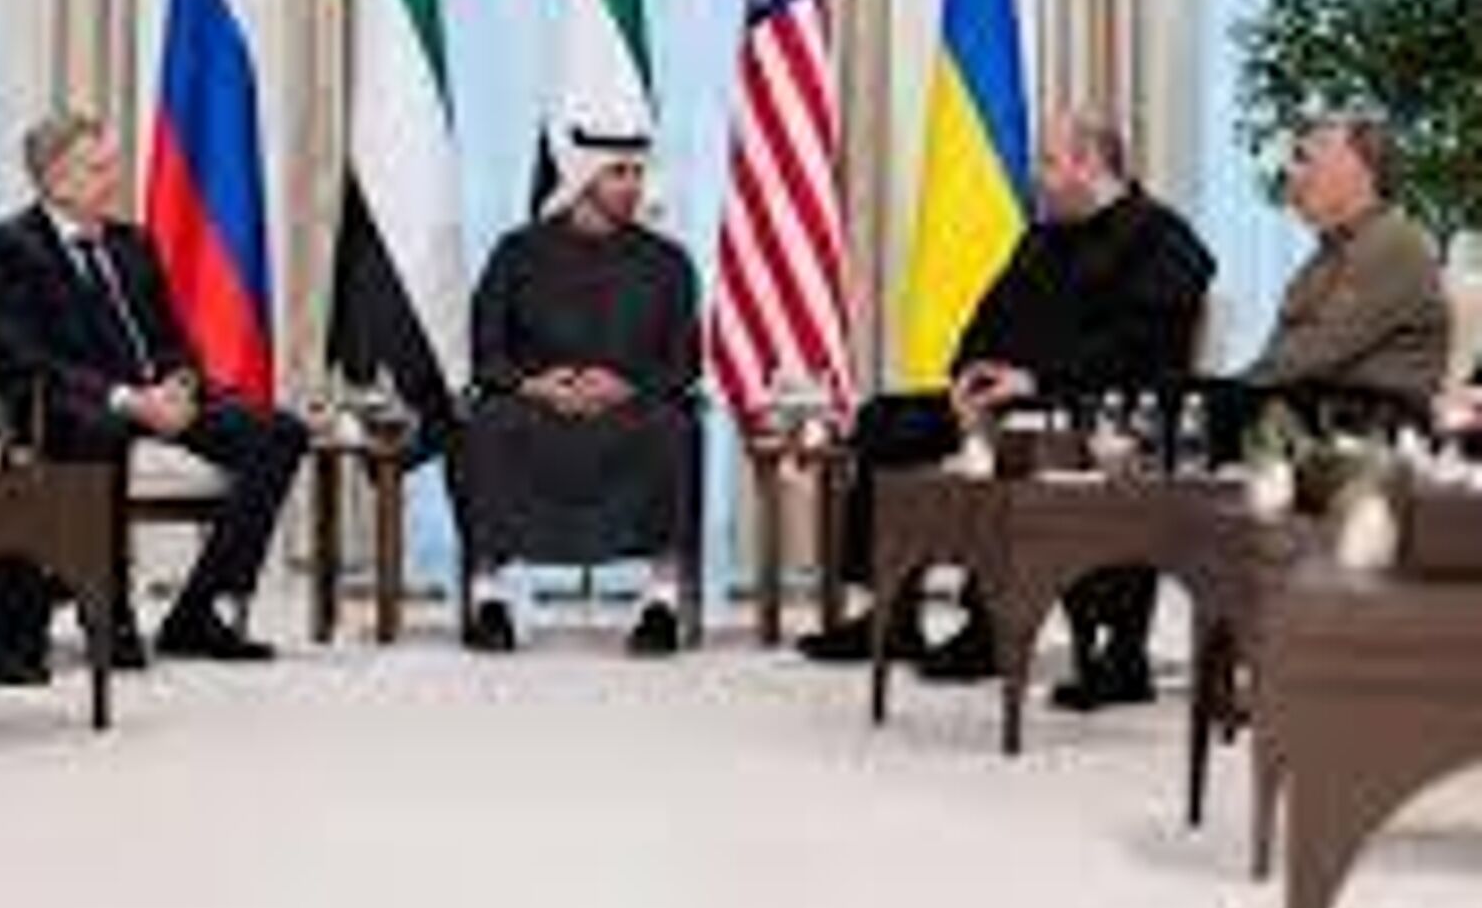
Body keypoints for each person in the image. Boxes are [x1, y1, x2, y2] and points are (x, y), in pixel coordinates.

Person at [801, 111, 1214, 710]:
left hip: (1102, 407)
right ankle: (892, 613)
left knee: (1044, 449)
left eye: (1047, 162)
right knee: (884, 421)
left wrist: (1036, 379)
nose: (1036, 176)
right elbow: (986, 319)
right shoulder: (1041, 238)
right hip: (1008, 399)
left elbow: (1140, 348)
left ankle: (1076, 643)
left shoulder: (1164, 239)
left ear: (1089, 164)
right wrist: (967, 381)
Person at [0, 114, 307, 666]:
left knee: (279, 433)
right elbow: (22, 357)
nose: (113, 179)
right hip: (70, 405)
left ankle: (199, 612)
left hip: (156, 399)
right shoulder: (6, 245)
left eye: (111, 165)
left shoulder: (132, 243)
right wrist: (128, 399)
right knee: (103, 430)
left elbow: (171, 338)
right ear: (54, 179)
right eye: (97, 168)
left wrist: (180, 384)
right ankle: (109, 614)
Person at [451, 123, 701, 657]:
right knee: (487, 425)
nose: (632, 186)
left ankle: (660, 602)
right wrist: (533, 384)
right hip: (535, 406)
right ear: (583, 179)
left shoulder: (669, 261)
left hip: (632, 407)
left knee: (673, 428)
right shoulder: (516, 252)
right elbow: (486, 350)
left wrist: (627, 386)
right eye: (618, 174)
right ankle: (489, 598)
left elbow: (684, 363)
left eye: (637, 173)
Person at [1243, 117, 1448, 420]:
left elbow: (1310, 354)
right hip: (1320, 419)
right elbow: (1282, 357)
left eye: (1305, 159)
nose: (1291, 174)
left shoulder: (1392, 245)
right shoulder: (1326, 256)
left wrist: (1228, 394)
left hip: (1371, 431)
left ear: (1357, 171)